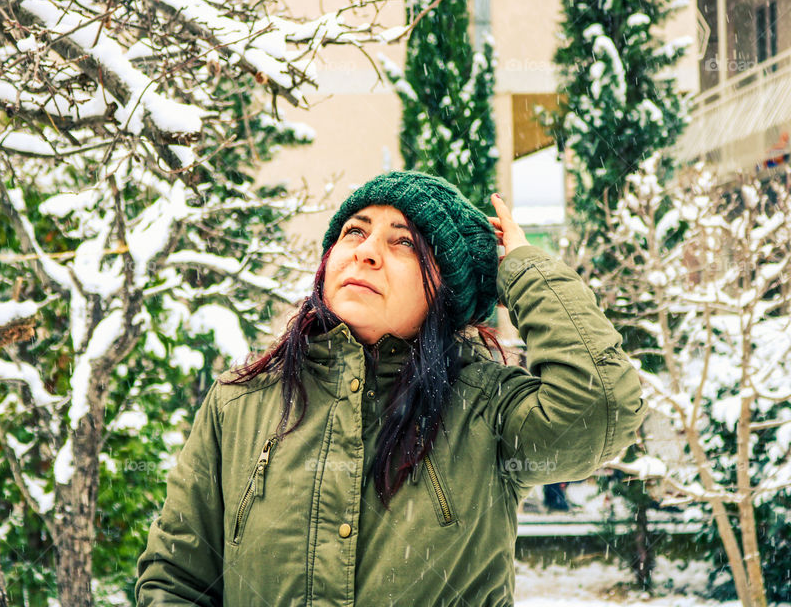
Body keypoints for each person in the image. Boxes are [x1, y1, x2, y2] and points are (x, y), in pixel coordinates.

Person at [134, 170, 647, 606]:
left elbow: (600, 405)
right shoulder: (239, 401)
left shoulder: (486, 407)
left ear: (446, 289)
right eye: (354, 233)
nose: (367, 253)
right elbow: (176, 580)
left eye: (404, 241)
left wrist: (525, 267)